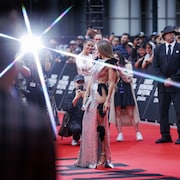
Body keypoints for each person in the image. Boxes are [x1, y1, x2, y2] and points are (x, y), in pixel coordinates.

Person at [0, 8, 56, 180]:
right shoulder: (33, 123)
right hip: (26, 92)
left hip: (37, 90)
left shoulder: (34, 122)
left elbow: (42, 72)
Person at [74, 40, 117, 169]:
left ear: (102, 49)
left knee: (100, 126)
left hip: (101, 94)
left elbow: (111, 83)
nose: (94, 50)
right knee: (87, 125)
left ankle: (103, 156)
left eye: (97, 48)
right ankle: (88, 157)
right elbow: (91, 79)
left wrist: (108, 100)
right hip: (91, 94)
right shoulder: (96, 61)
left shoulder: (111, 63)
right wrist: (86, 95)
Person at [153, 25, 180, 144]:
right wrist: (163, 80)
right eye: (168, 33)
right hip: (162, 86)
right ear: (164, 36)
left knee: (179, 111)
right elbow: (155, 66)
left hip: (177, 85)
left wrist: (172, 79)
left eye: (173, 33)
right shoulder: (158, 49)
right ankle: (165, 135)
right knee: (163, 110)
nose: (171, 35)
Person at [109, 51, 143, 141]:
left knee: (131, 113)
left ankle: (137, 132)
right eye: (114, 57)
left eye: (117, 57)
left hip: (126, 88)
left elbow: (128, 78)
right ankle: (120, 134)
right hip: (116, 90)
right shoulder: (111, 67)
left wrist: (120, 71)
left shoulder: (128, 65)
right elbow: (110, 80)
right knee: (118, 113)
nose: (116, 59)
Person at [64, 74, 85, 146]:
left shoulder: (87, 94)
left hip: (85, 119)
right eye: (78, 82)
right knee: (76, 128)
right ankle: (75, 138)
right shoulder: (69, 95)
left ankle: (84, 135)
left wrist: (84, 98)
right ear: (74, 83)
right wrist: (76, 98)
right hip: (74, 121)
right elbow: (68, 109)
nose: (80, 84)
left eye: (82, 82)